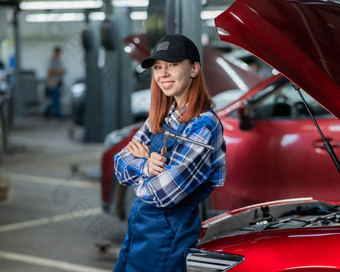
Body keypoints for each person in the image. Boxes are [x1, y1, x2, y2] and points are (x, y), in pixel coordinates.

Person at [113, 34, 226, 272]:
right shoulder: (162, 116)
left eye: (172, 65)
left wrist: (139, 162)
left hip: (167, 240)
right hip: (138, 230)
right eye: (158, 67)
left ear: (194, 69)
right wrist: (145, 166)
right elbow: (118, 163)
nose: (163, 74)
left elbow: (165, 193)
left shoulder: (204, 125)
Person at [43, 46, 65, 119]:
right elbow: (48, 72)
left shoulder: (59, 61)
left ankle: (48, 112)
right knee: (55, 100)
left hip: (57, 83)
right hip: (51, 84)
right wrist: (58, 71)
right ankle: (56, 114)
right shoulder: (51, 61)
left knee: (56, 100)